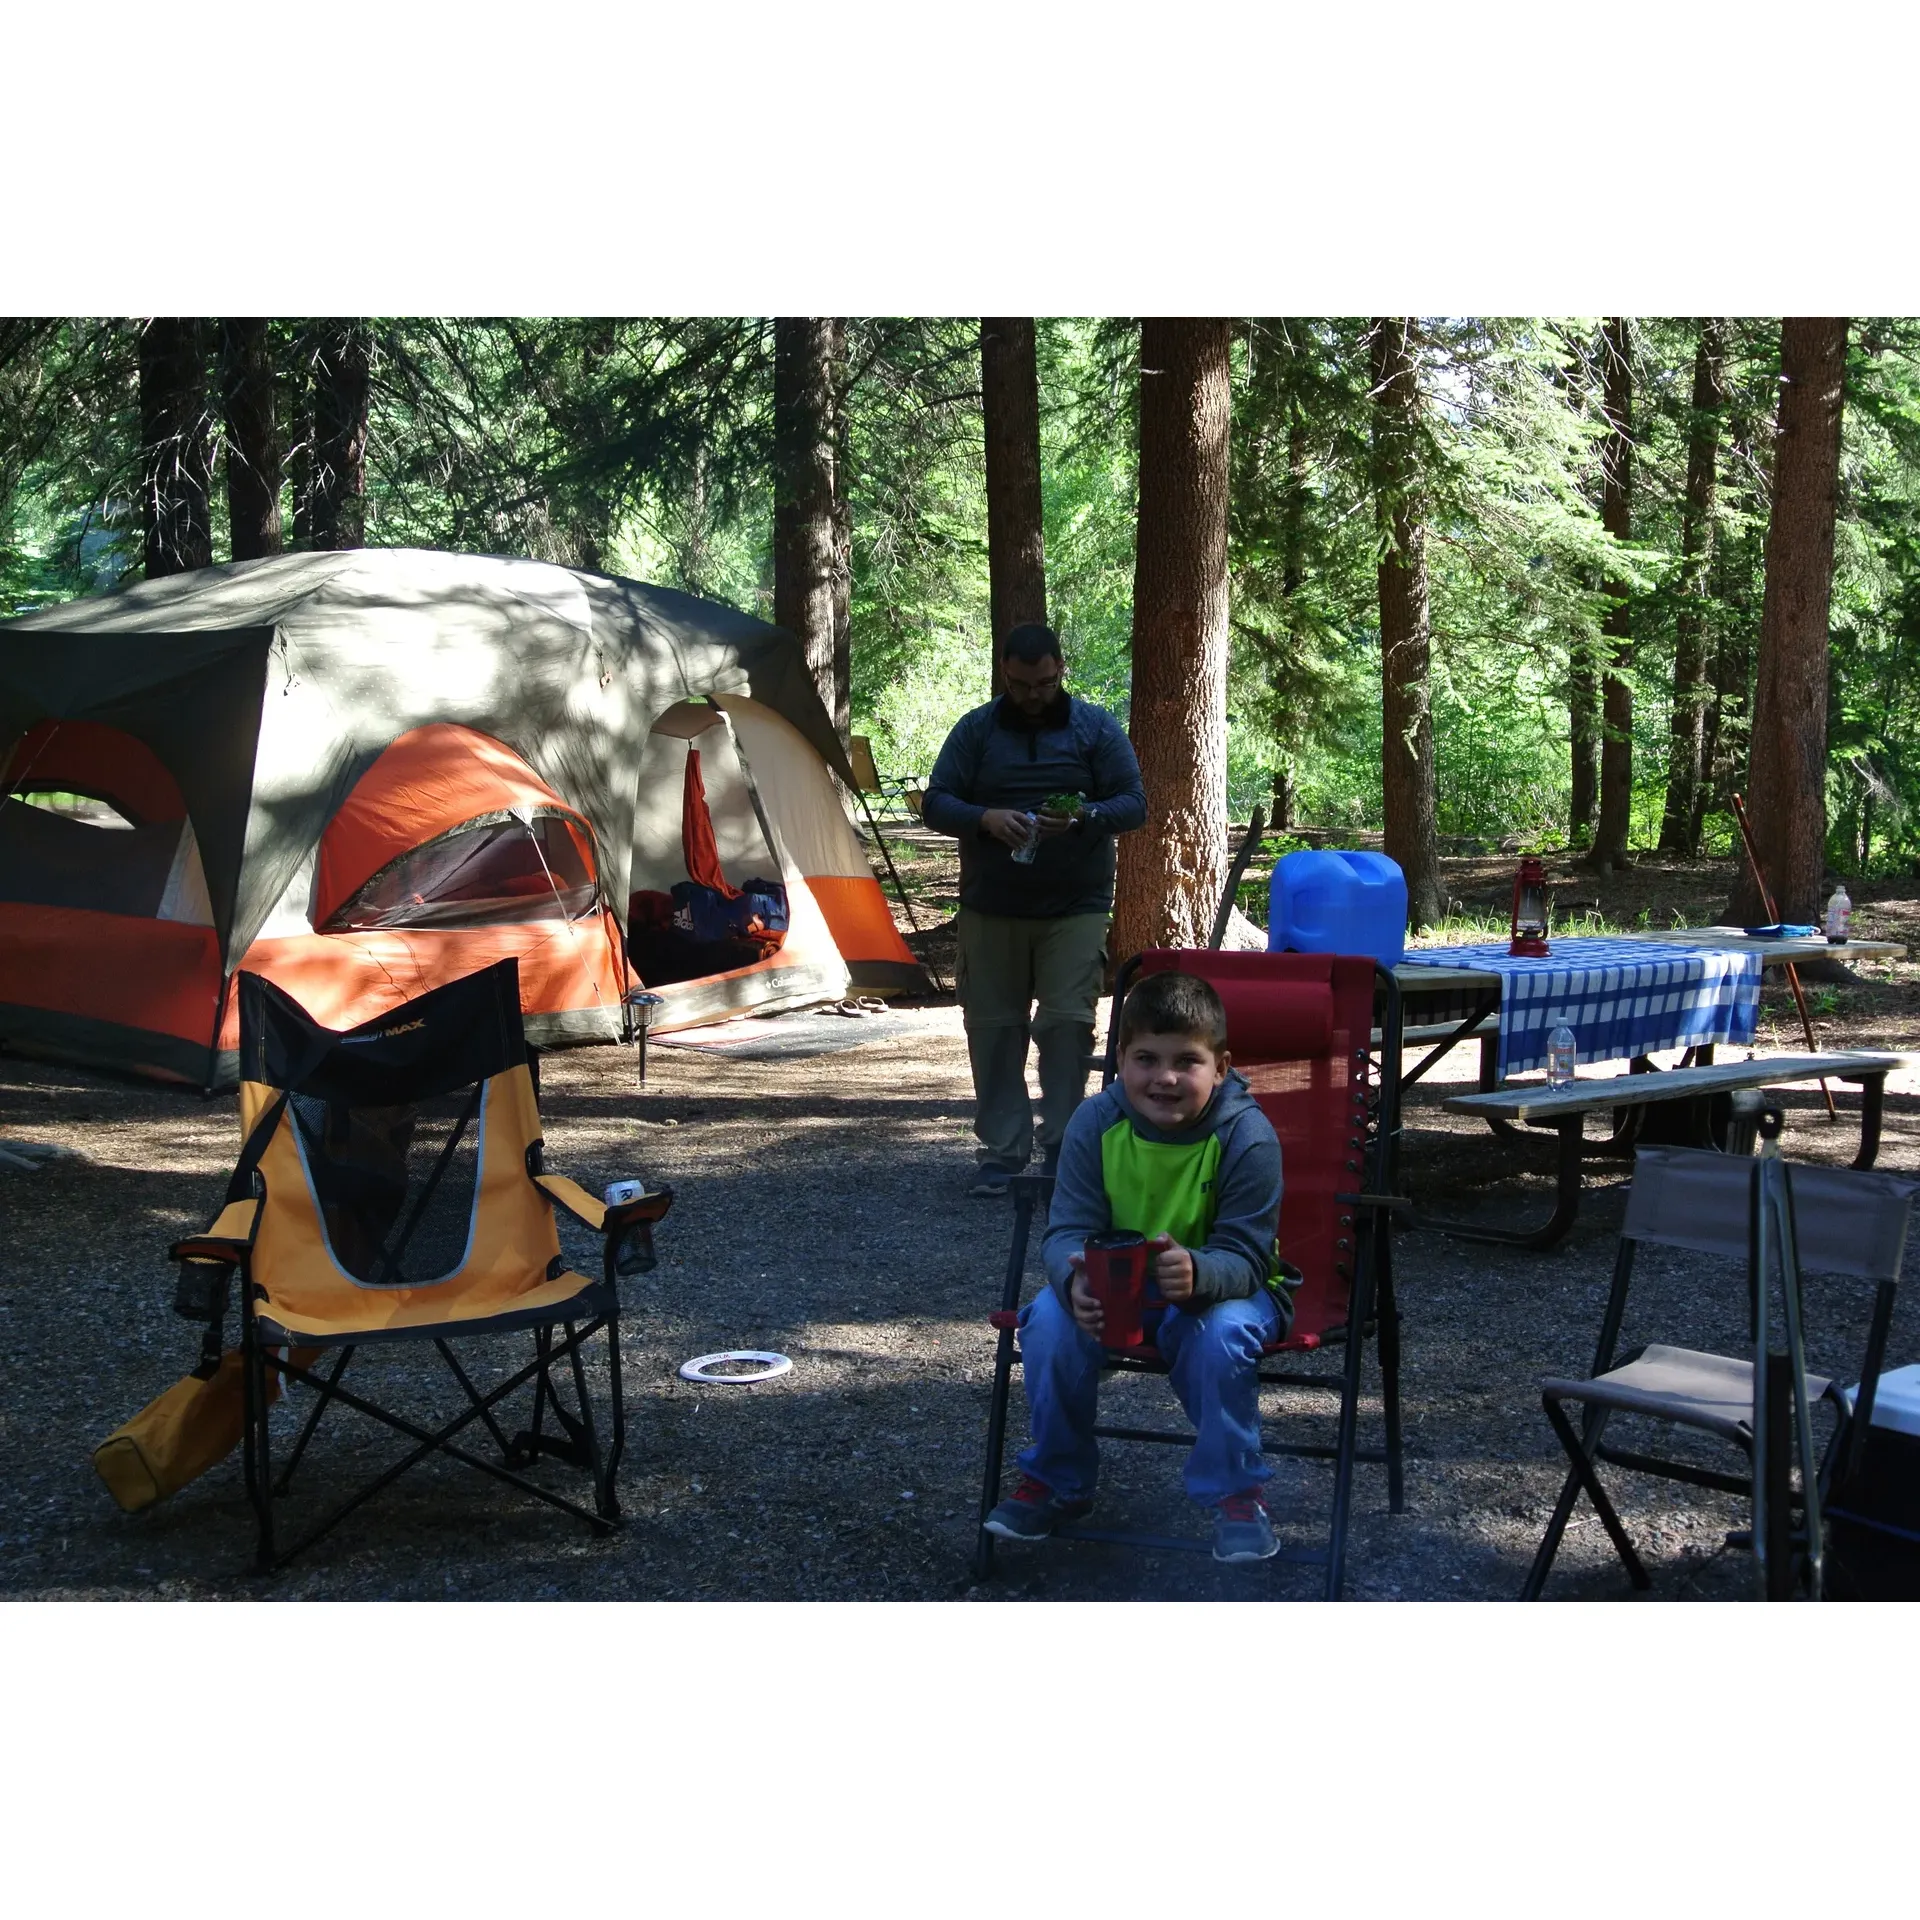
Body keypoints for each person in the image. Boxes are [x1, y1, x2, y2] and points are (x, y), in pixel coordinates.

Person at [983, 970, 1290, 1564]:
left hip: (1225, 1292)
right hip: (1115, 1291)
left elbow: (1250, 1256)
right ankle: (1057, 1481)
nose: (1165, 1077)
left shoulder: (1248, 1137)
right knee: (1047, 1322)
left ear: (1221, 1068)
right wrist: (1071, 1280)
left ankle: (1237, 1496)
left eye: (1187, 1062)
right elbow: (1067, 1229)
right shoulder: (1095, 1123)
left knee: (1220, 1335)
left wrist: (1199, 1273)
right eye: (1146, 1058)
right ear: (1120, 1057)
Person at [921, 622, 1145, 1197]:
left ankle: (1065, 1148)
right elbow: (937, 800)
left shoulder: (1094, 728)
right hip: (992, 906)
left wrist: (1084, 818)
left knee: (1067, 1025)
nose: (1033, 696)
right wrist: (984, 819)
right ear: (1005, 674)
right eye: (1021, 685)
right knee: (994, 1029)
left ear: (1060, 670)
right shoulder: (976, 729)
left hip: (1075, 905)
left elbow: (1133, 802)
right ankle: (1002, 1152)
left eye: (1044, 683)